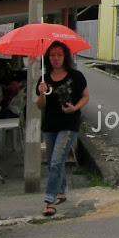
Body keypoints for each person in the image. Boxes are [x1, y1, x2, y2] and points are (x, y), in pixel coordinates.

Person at [35, 41, 89, 216]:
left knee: (57, 161)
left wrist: (75, 108)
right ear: (47, 57)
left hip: (68, 124)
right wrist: (42, 92)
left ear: (65, 56)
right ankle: (63, 189)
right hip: (50, 125)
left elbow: (85, 97)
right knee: (53, 162)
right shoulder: (44, 79)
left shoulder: (76, 76)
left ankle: (50, 200)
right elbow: (40, 106)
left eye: (59, 54)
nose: (55, 58)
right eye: (52, 55)